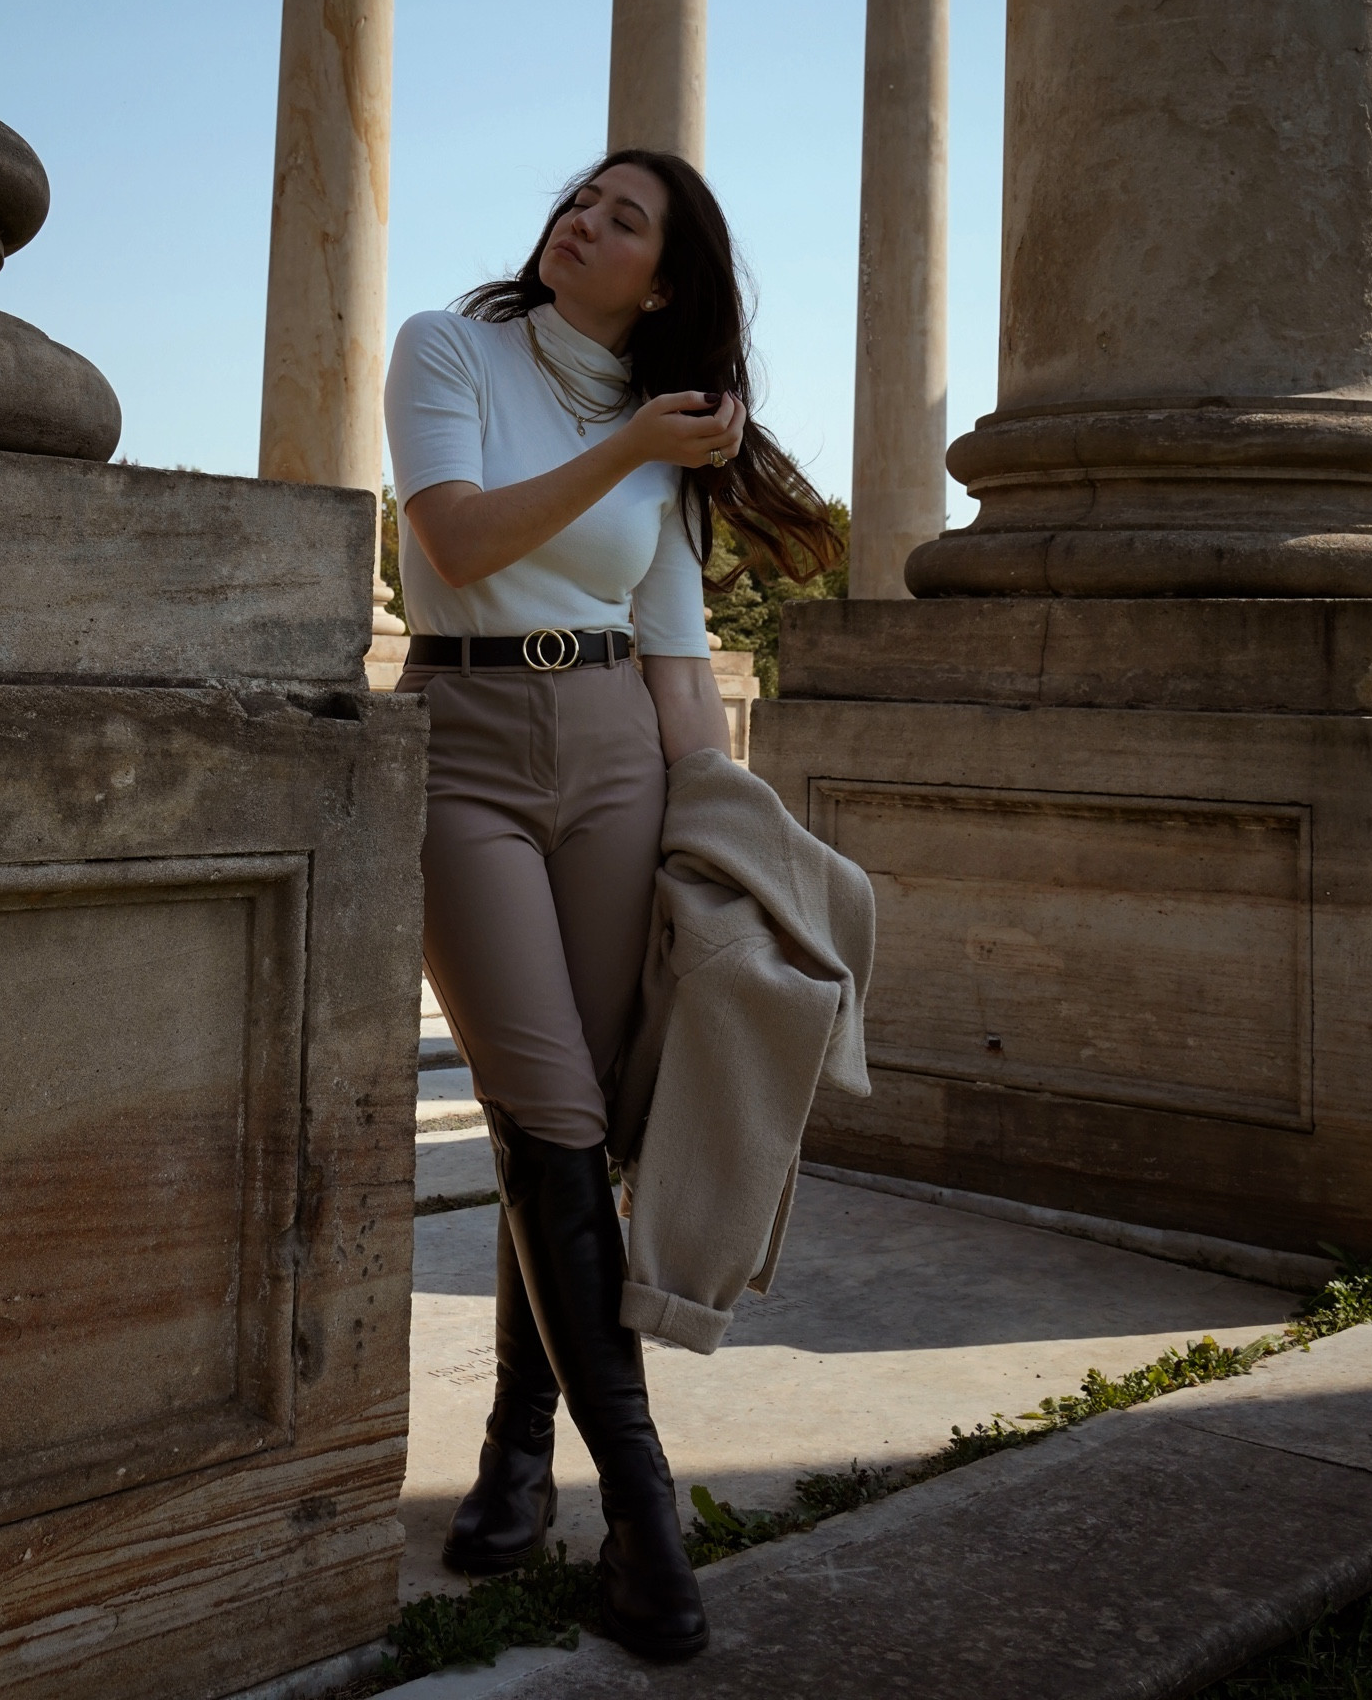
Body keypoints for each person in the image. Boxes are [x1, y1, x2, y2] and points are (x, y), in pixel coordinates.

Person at [383, 148, 840, 1661]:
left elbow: (673, 648)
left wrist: (721, 834)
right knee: (548, 1106)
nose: (581, 218)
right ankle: (645, 1506)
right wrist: (633, 441)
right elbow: (454, 537)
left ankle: (520, 1448)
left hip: (619, 758)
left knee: (572, 1116)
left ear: (664, 279)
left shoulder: (667, 444)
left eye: (622, 217)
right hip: (465, 743)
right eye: (581, 200)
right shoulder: (451, 347)